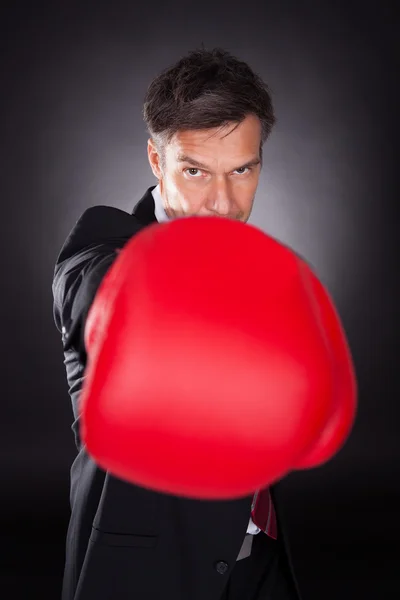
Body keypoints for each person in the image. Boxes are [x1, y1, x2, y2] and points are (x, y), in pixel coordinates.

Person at [52, 47, 303, 600]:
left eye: (242, 169)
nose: (221, 201)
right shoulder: (99, 249)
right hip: (152, 568)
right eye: (194, 171)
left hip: (261, 558)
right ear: (155, 161)